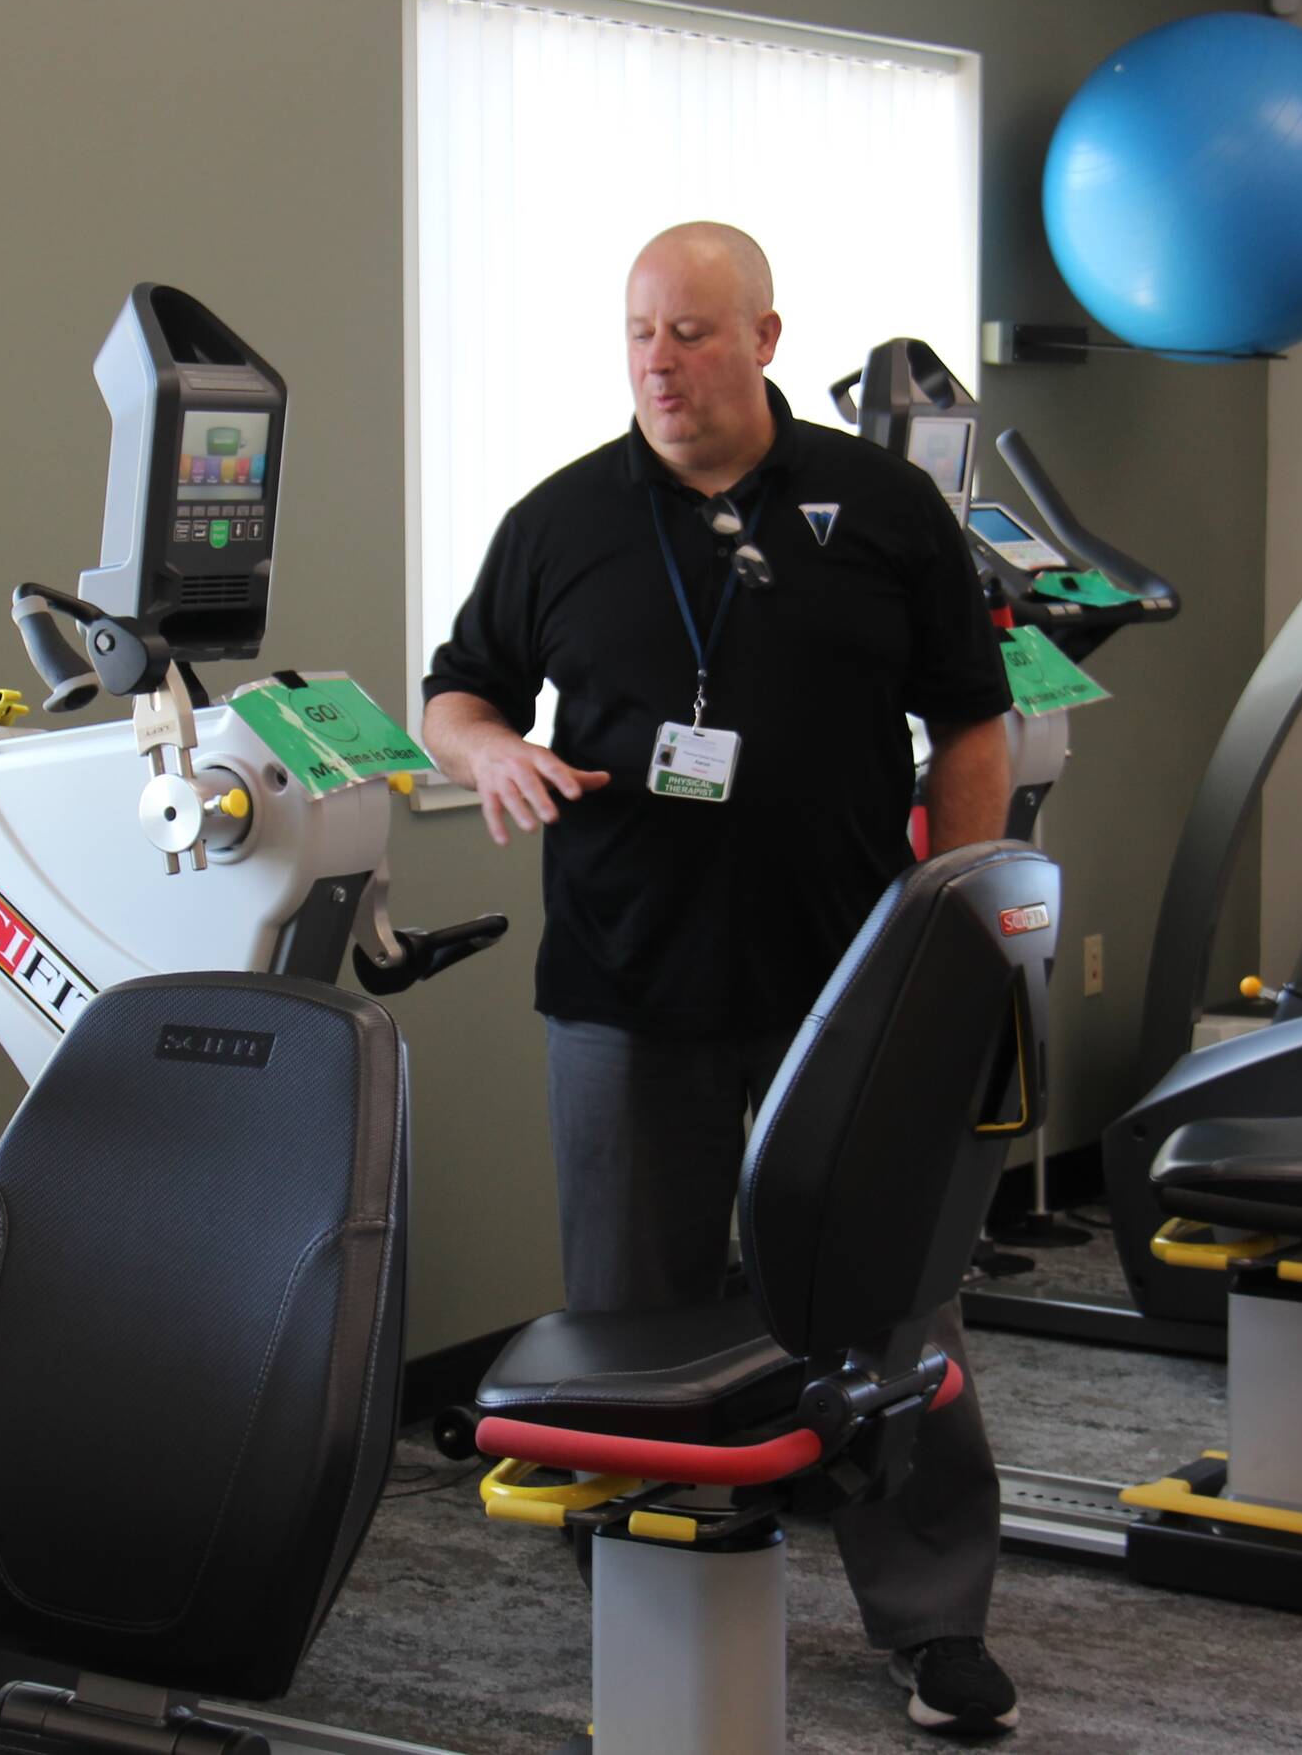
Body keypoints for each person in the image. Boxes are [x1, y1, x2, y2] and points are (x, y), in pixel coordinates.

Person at [422, 222, 1018, 1737]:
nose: (659, 363)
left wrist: (955, 919)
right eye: (639, 334)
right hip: (626, 982)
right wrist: (486, 747)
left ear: (763, 334)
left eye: (691, 332)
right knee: (630, 1317)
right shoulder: (559, 519)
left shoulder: (880, 510)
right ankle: (646, 1594)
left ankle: (932, 1620)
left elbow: (968, 721)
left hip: (850, 983)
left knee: (894, 1307)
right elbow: (459, 686)